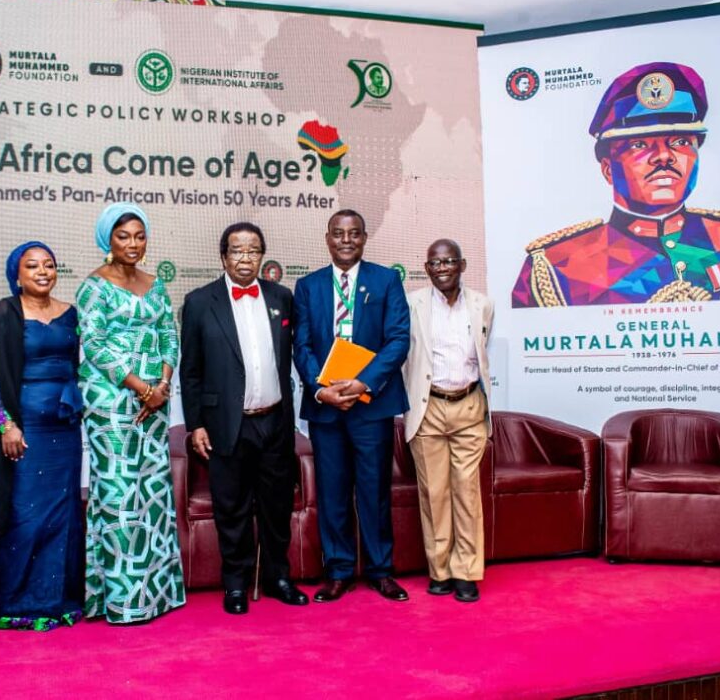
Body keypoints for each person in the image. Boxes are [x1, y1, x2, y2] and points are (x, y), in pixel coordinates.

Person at [513, 61, 720, 306]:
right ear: (608, 169)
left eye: (680, 142)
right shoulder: (557, 265)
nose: (664, 156)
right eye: (639, 145)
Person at [180, 222, 308, 615]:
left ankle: (278, 577)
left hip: (274, 421)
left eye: (253, 250)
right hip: (225, 424)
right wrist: (196, 424)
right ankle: (235, 585)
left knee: (275, 507)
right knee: (231, 509)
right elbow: (192, 371)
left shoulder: (282, 298)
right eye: (237, 250)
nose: (245, 257)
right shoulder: (201, 302)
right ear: (223, 256)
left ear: (262, 256)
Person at [293, 209, 411, 603]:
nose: (346, 240)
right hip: (327, 407)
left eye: (354, 233)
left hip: (370, 405)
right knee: (333, 491)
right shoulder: (307, 286)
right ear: (327, 238)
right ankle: (339, 571)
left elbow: (398, 340)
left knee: (374, 491)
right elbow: (302, 345)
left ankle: (380, 570)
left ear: (364, 238)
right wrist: (319, 387)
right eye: (339, 234)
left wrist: (363, 382)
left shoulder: (386, 280)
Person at [77, 202, 185, 624]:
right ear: (108, 240)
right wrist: (141, 388)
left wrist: (160, 387)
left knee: (153, 494)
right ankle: (122, 599)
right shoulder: (94, 287)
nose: (133, 244)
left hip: (154, 403)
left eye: (140, 236)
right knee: (120, 496)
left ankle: (159, 591)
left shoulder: (155, 284)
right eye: (123, 236)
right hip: (112, 403)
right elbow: (95, 345)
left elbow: (167, 337)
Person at [0, 241, 85, 631]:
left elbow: (76, 364)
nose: (42, 272)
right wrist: (6, 423)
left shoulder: (72, 314)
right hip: (24, 431)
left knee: (63, 515)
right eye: (32, 266)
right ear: (16, 275)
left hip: (66, 430)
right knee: (24, 515)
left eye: (49, 265)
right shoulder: (4, 312)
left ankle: (59, 601)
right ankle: (17, 601)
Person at [403, 240, 494, 603]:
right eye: (435, 263)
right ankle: (439, 571)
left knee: (466, 492)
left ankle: (466, 572)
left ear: (462, 264)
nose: (443, 268)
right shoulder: (413, 304)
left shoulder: (483, 304)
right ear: (426, 269)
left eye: (449, 261)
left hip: (469, 407)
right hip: (428, 408)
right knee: (435, 494)